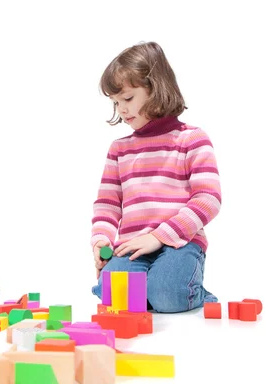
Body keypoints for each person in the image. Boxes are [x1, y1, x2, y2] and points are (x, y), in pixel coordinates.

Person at [91, 42, 221, 313]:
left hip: (180, 242)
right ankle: (155, 287)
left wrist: (160, 236)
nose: (122, 109)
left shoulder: (192, 139)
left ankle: (189, 292)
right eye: (116, 102)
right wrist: (101, 239)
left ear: (156, 88)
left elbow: (208, 199)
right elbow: (107, 204)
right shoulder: (120, 149)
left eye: (128, 98)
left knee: (168, 296)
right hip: (133, 244)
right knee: (112, 294)